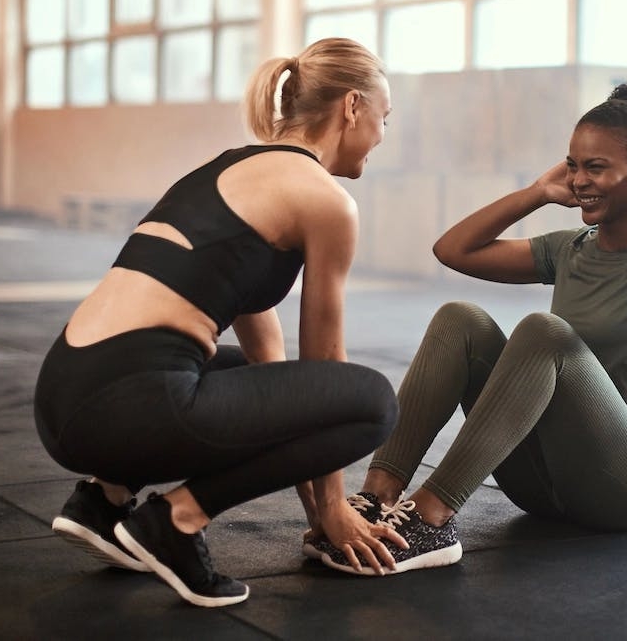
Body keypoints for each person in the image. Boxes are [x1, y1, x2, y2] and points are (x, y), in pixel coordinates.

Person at [33, 37, 409, 608]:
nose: (382, 135)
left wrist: (316, 519)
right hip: (127, 407)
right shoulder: (325, 201)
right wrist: (335, 511)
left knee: (259, 375)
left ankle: (104, 501)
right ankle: (176, 521)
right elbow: (325, 363)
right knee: (372, 401)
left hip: (65, 395)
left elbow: (278, 375)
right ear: (352, 107)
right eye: (383, 118)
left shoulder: (230, 170)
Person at [309, 78, 627, 575]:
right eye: (574, 165)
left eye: (596, 167)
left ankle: (431, 517)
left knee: (545, 333)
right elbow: (453, 250)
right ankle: (376, 502)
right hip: (543, 483)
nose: (579, 180)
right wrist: (536, 193)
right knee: (460, 319)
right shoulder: (570, 249)